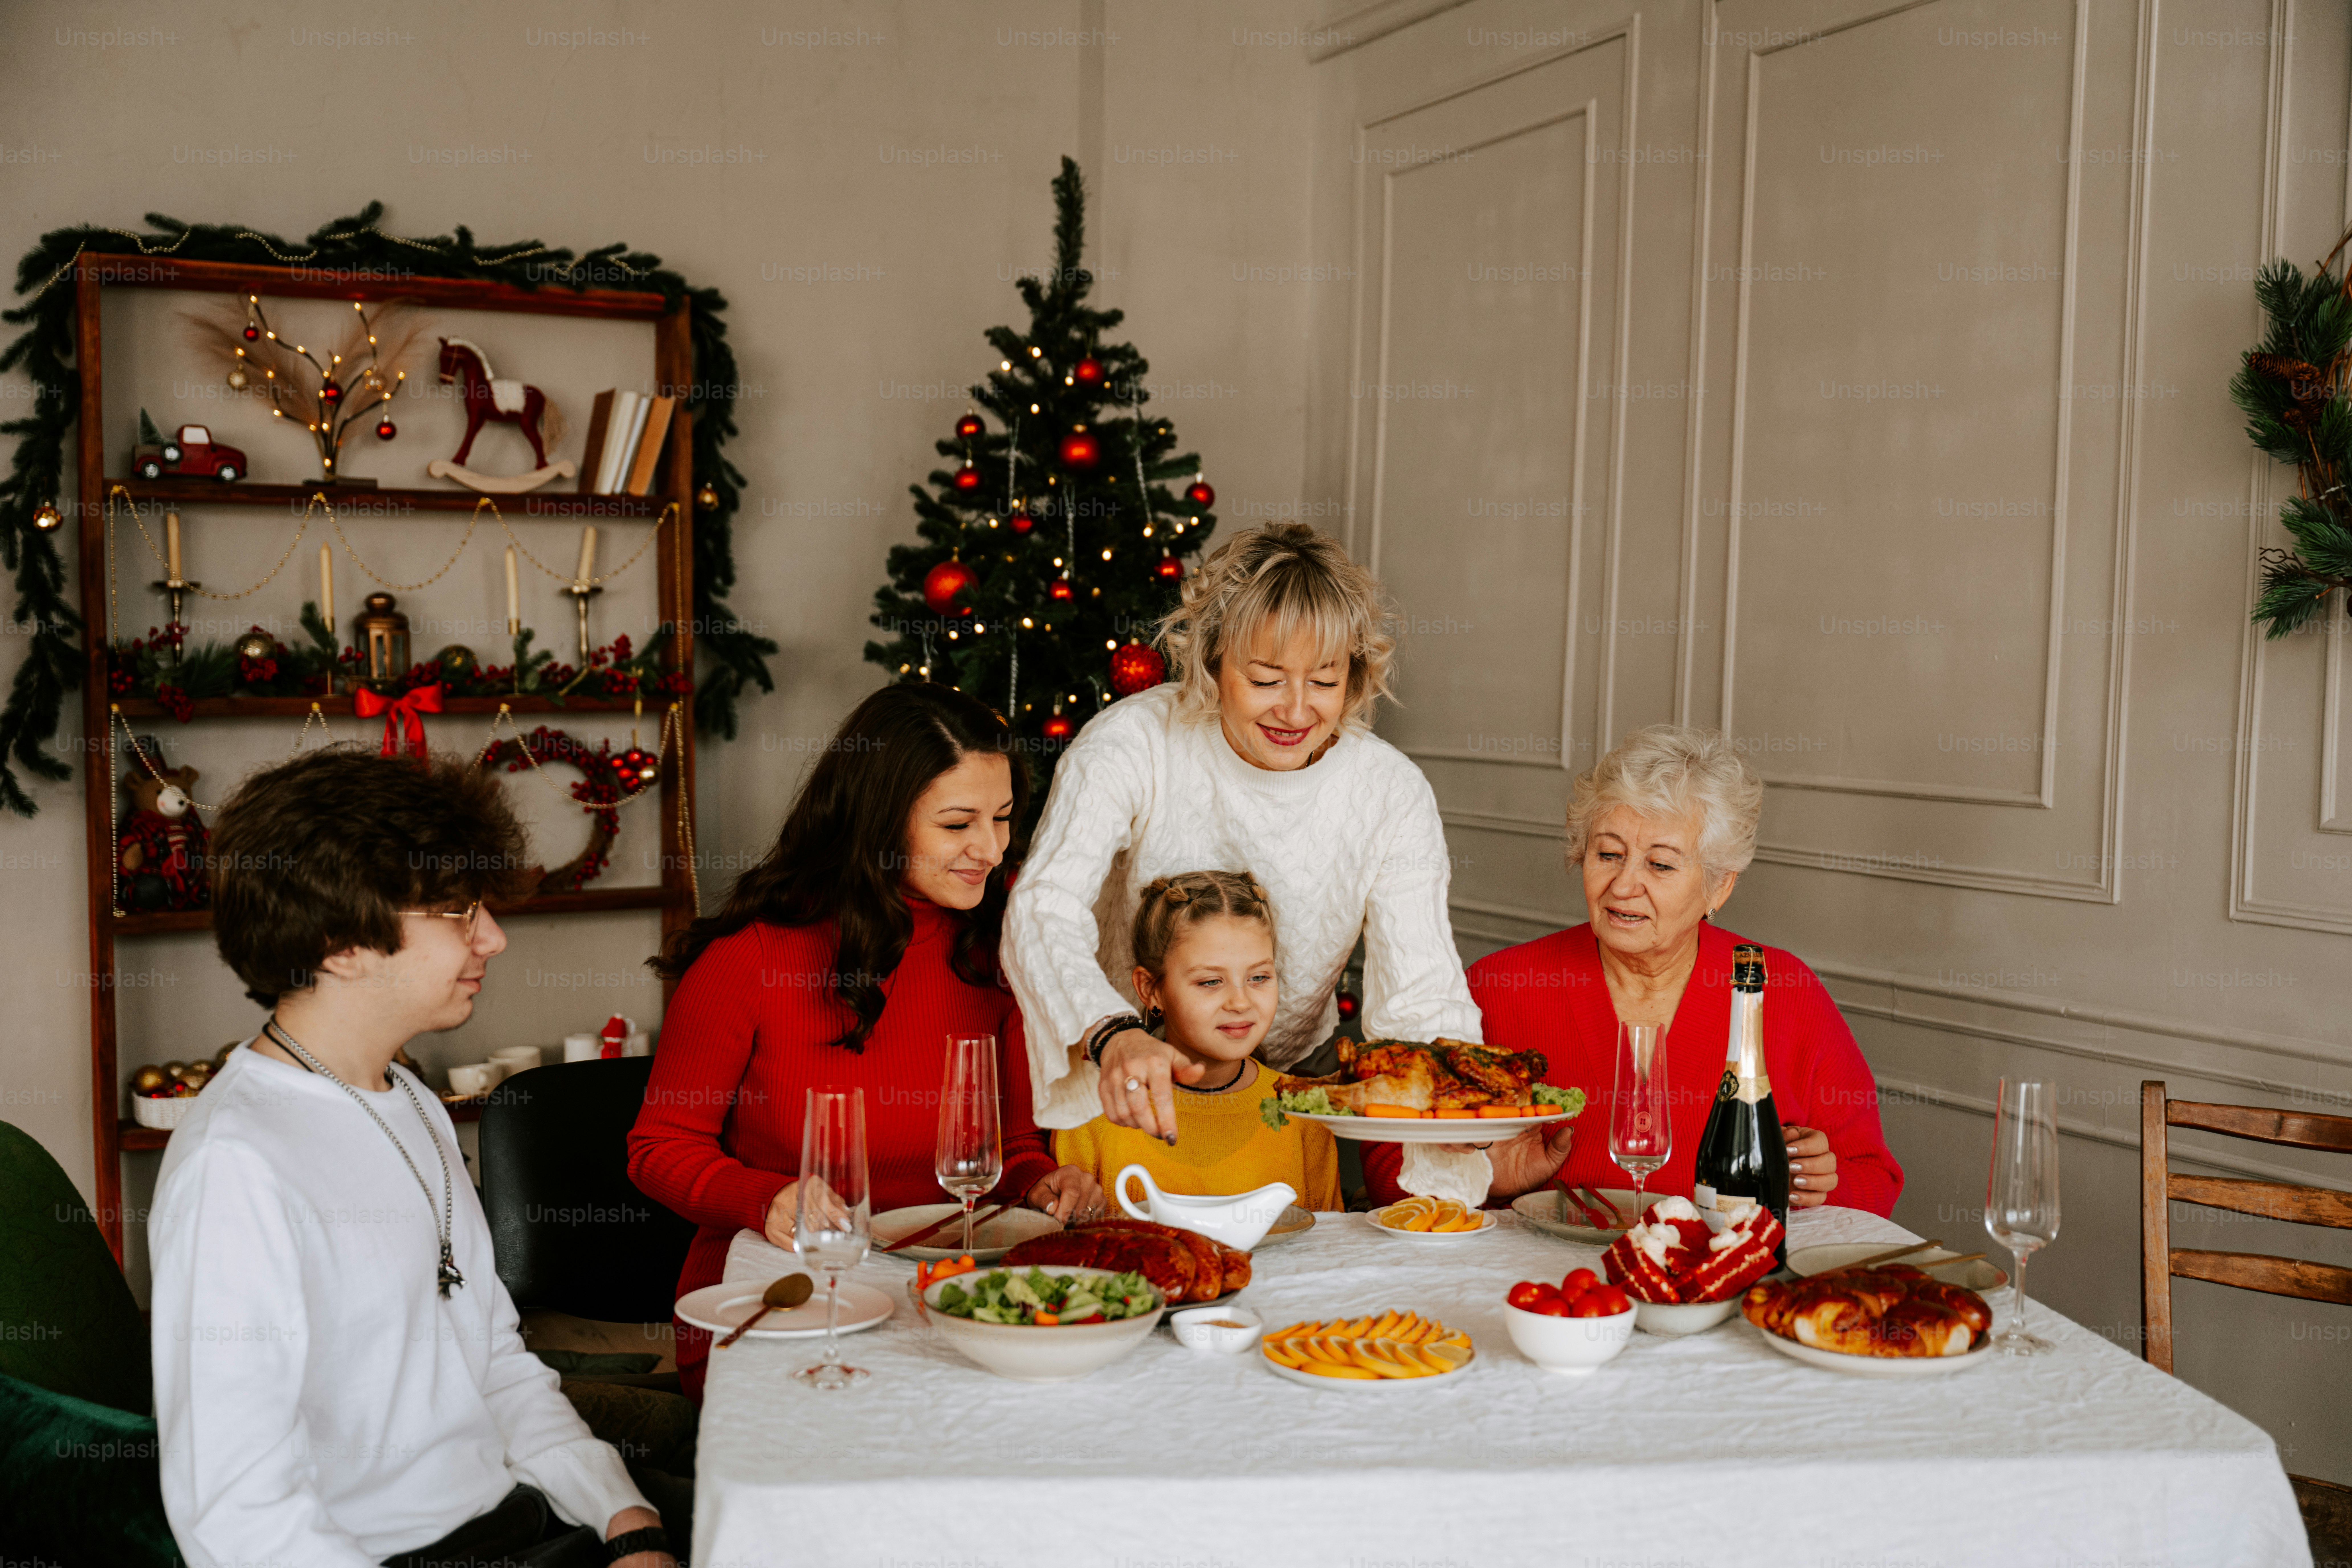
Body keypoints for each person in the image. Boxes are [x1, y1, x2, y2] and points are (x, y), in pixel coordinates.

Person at [152, 749, 678, 1568]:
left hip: (519, 1519)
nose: (494, 938)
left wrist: (625, 1521)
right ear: (340, 945)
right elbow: (236, 1515)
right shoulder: (238, 1166)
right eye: (458, 911)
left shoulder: (406, 1097)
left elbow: (495, 1363)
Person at [628, 683, 1102, 1400]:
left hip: (949, 1301)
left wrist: (1041, 1181)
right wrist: (763, 1197)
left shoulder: (1001, 952)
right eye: (957, 824)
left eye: (1003, 818)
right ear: (880, 822)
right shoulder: (750, 958)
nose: (991, 849)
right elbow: (658, 1147)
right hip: (788, 1298)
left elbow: (1011, 1151)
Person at [1004, 523, 1490, 1202]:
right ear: (1211, 661)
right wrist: (1111, 1034)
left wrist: (1452, 1124)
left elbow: (1419, 990)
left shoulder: (1388, 788)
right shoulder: (1132, 742)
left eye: (1324, 680)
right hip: (1130, 1061)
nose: (1296, 710)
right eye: (1266, 679)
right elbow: (1043, 906)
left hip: (1290, 1079)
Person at [1362, 724, 1904, 1215]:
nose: (1623, 885)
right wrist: (1483, 1178)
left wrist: (1818, 1182)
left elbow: (1874, 1176)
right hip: (1547, 1295)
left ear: (1720, 884)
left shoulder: (1779, 990)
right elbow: (1387, 1167)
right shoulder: (1501, 987)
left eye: (1661, 864)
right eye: (1608, 854)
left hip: (1714, 1292)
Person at [1052, 871, 1343, 1211]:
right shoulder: (1095, 1110)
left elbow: (1328, 1248)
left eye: (1259, 977)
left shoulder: (1303, 1114)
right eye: (1210, 982)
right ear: (1151, 989)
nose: (1240, 1002)